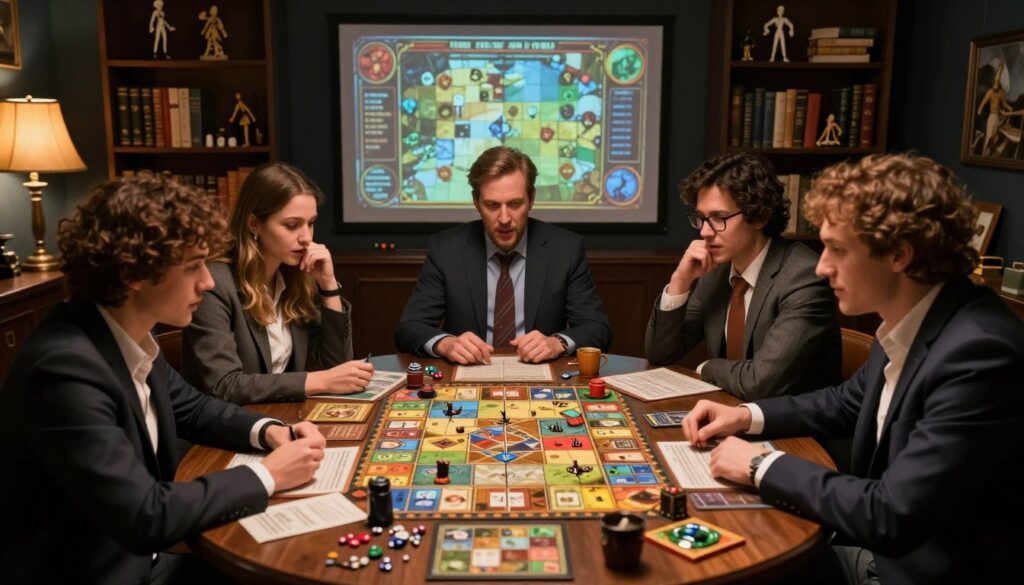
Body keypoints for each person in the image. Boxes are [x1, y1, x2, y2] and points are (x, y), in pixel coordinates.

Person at [682, 154, 1024, 584]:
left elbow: (891, 514)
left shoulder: (978, 353)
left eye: (837, 249)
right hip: (874, 548)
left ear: (899, 254)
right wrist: (746, 416)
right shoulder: (911, 317)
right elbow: (845, 401)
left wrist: (759, 467)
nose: (822, 266)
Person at [0, 175, 327, 585]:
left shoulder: (123, 334)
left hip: (148, 560)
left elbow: (195, 407)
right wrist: (269, 475)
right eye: (192, 267)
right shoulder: (64, 369)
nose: (207, 282)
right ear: (135, 271)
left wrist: (272, 432)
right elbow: (144, 515)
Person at [645, 152, 841, 400]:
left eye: (718, 218)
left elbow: (760, 383)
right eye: (701, 218)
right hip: (731, 414)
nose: (705, 232)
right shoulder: (716, 272)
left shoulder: (804, 276)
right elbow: (660, 354)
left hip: (796, 431)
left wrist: (707, 367)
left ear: (759, 216)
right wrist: (679, 282)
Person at [395, 146, 611, 364]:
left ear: (532, 199)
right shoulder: (447, 249)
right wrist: (447, 344)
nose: (505, 218)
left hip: (542, 377)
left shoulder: (565, 249)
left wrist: (557, 343)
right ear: (476, 202)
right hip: (468, 375)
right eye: (492, 205)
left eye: (515, 204)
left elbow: (597, 328)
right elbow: (409, 328)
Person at [183, 162, 372, 404]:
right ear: (254, 224)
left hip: (276, 417)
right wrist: (318, 381)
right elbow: (225, 385)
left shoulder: (296, 277)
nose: (306, 238)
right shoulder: (215, 284)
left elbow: (337, 363)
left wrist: (328, 284)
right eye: (292, 225)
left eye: (311, 223)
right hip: (222, 430)